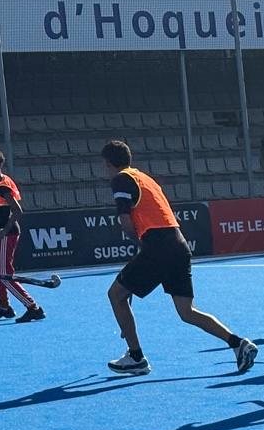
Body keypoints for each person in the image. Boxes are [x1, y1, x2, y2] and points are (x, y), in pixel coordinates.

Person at [101, 140, 256, 377]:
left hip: (158, 245)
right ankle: (238, 343)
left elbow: (126, 222)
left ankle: (136, 357)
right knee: (187, 311)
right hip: (178, 244)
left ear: (108, 164)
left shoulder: (120, 179)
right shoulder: (144, 178)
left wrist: (141, 246)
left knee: (115, 294)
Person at [0, 148, 44, 323]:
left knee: (4, 274)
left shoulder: (2, 186)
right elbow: (3, 208)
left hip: (8, 233)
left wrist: (3, 231)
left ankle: (33, 308)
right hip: (4, 232)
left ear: (0, 164)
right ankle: (4, 307)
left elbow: (17, 211)